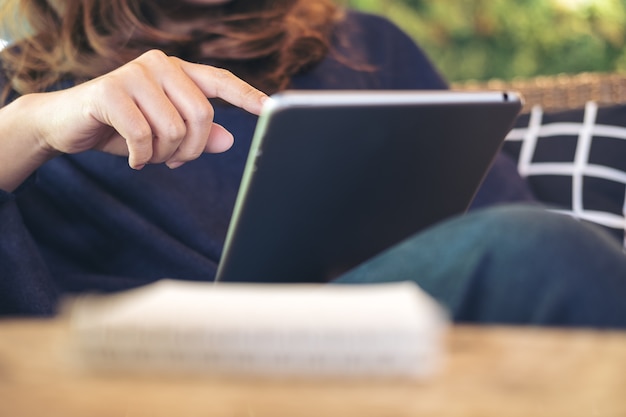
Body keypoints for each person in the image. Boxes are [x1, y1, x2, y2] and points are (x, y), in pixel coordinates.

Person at [1, 0, 625, 327]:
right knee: (536, 249)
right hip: (152, 357)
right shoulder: (23, 87)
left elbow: (495, 231)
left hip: (380, 330)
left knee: (538, 251)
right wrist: (31, 124)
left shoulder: (367, 45)